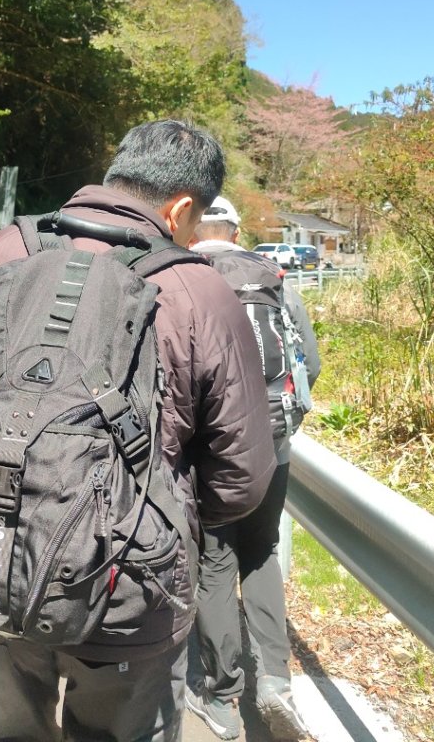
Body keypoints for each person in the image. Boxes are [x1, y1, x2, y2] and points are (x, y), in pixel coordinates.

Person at [0, 119, 277, 742]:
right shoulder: (200, 291)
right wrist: (160, 508)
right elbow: (240, 480)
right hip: (128, 587)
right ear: (181, 208)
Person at [186, 197, 320, 741]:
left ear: (191, 229)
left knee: (215, 561)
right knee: (262, 550)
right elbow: (309, 362)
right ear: (237, 232)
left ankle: (221, 697)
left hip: (211, 451)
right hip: (273, 444)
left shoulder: (184, 276)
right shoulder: (274, 279)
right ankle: (276, 684)